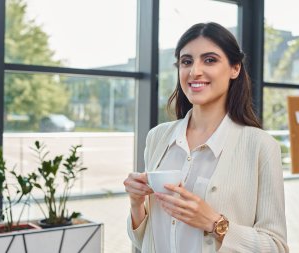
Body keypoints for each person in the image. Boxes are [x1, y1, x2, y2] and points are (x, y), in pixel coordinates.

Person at [123, 22, 288, 253]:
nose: (194, 71)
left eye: (209, 60)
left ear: (235, 69)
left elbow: (276, 247)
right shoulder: (157, 137)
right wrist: (136, 203)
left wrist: (213, 223)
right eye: (186, 61)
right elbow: (144, 242)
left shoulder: (260, 146)